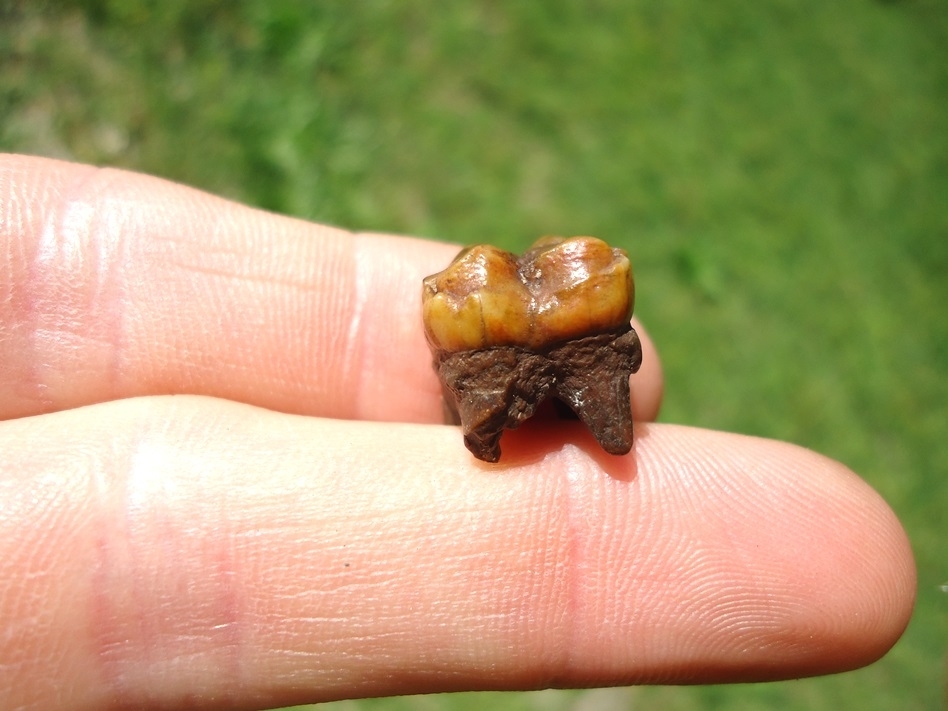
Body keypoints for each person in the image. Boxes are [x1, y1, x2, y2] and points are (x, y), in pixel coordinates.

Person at [0, 153, 915, 711]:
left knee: (590, 412)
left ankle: (552, 401)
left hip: (537, 337)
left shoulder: (568, 323)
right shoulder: (495, 330)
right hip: (497, 342)